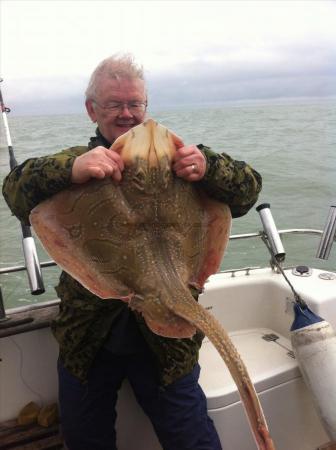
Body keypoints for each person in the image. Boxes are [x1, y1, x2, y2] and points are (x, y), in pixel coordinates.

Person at [2, 54, 262, 450]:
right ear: (92, 110)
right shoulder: (73, 164)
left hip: (169, 341)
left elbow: (247, 191)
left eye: (135, 104)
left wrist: (209, 167)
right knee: (86, 439)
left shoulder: (183, 162)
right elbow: (16, 191)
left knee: (190, 438)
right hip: (87, 337)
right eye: (114, 104)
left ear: (146, 106)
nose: (127, 114)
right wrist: (72, 170)